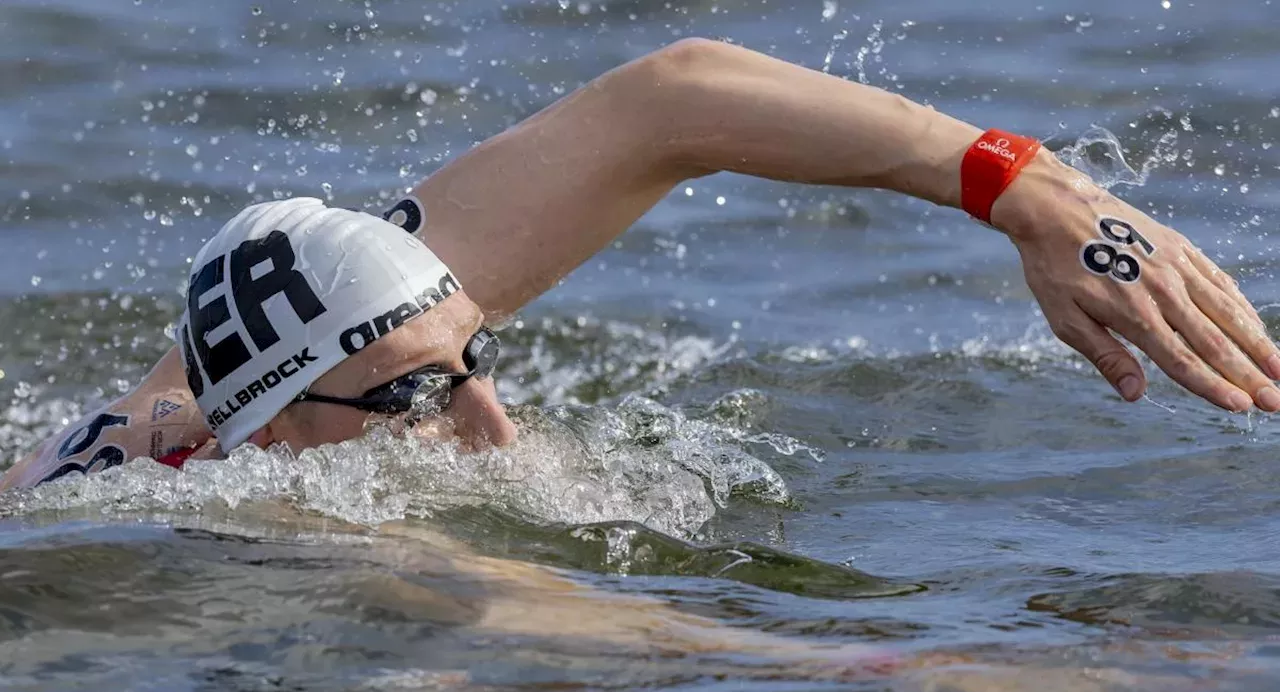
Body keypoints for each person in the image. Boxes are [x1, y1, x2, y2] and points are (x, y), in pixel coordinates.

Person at [3, 37, 1278, 490]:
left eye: (467, 367)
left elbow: (667, 102)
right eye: (410, 402)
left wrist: (1025, 191)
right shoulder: (233, 502)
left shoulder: (302, 330)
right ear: (267, 439)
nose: (491, 432)